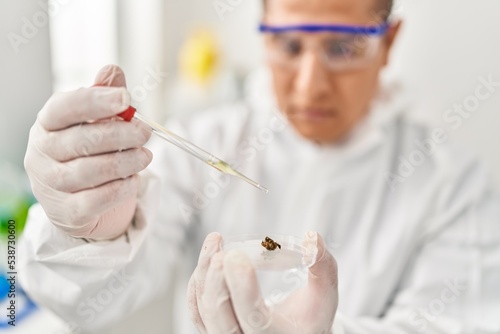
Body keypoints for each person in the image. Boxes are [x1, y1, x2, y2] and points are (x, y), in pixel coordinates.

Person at [19, 0, 500, 333]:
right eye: (289, 46)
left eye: (343, 47)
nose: (311, 86)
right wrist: (94, 230)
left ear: (389, 42)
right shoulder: (207, 142)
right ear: (262, 32)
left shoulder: (454, 186)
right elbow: (85, 305)